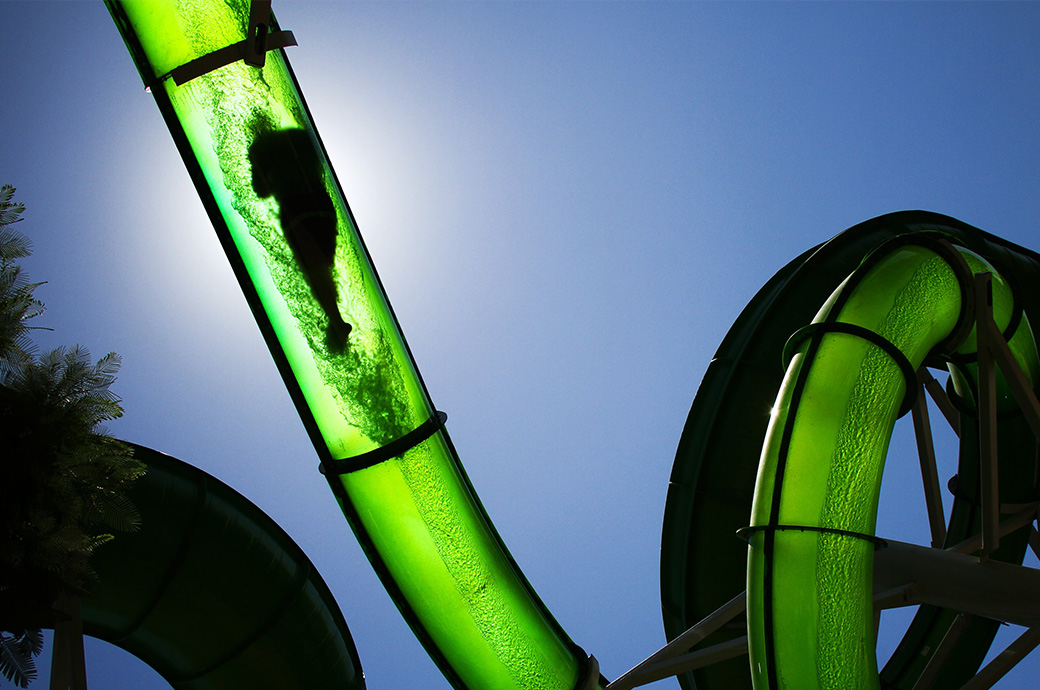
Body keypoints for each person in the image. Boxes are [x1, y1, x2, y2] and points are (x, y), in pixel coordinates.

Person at [249, 128, 352, 352]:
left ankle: (337, 324)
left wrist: (265, 167)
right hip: (323, 206)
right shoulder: (299, 137)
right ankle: (336, 322)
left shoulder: (259, 150)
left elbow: (261, 190)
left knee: (315, 270)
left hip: (296, 210)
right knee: (323, 267)